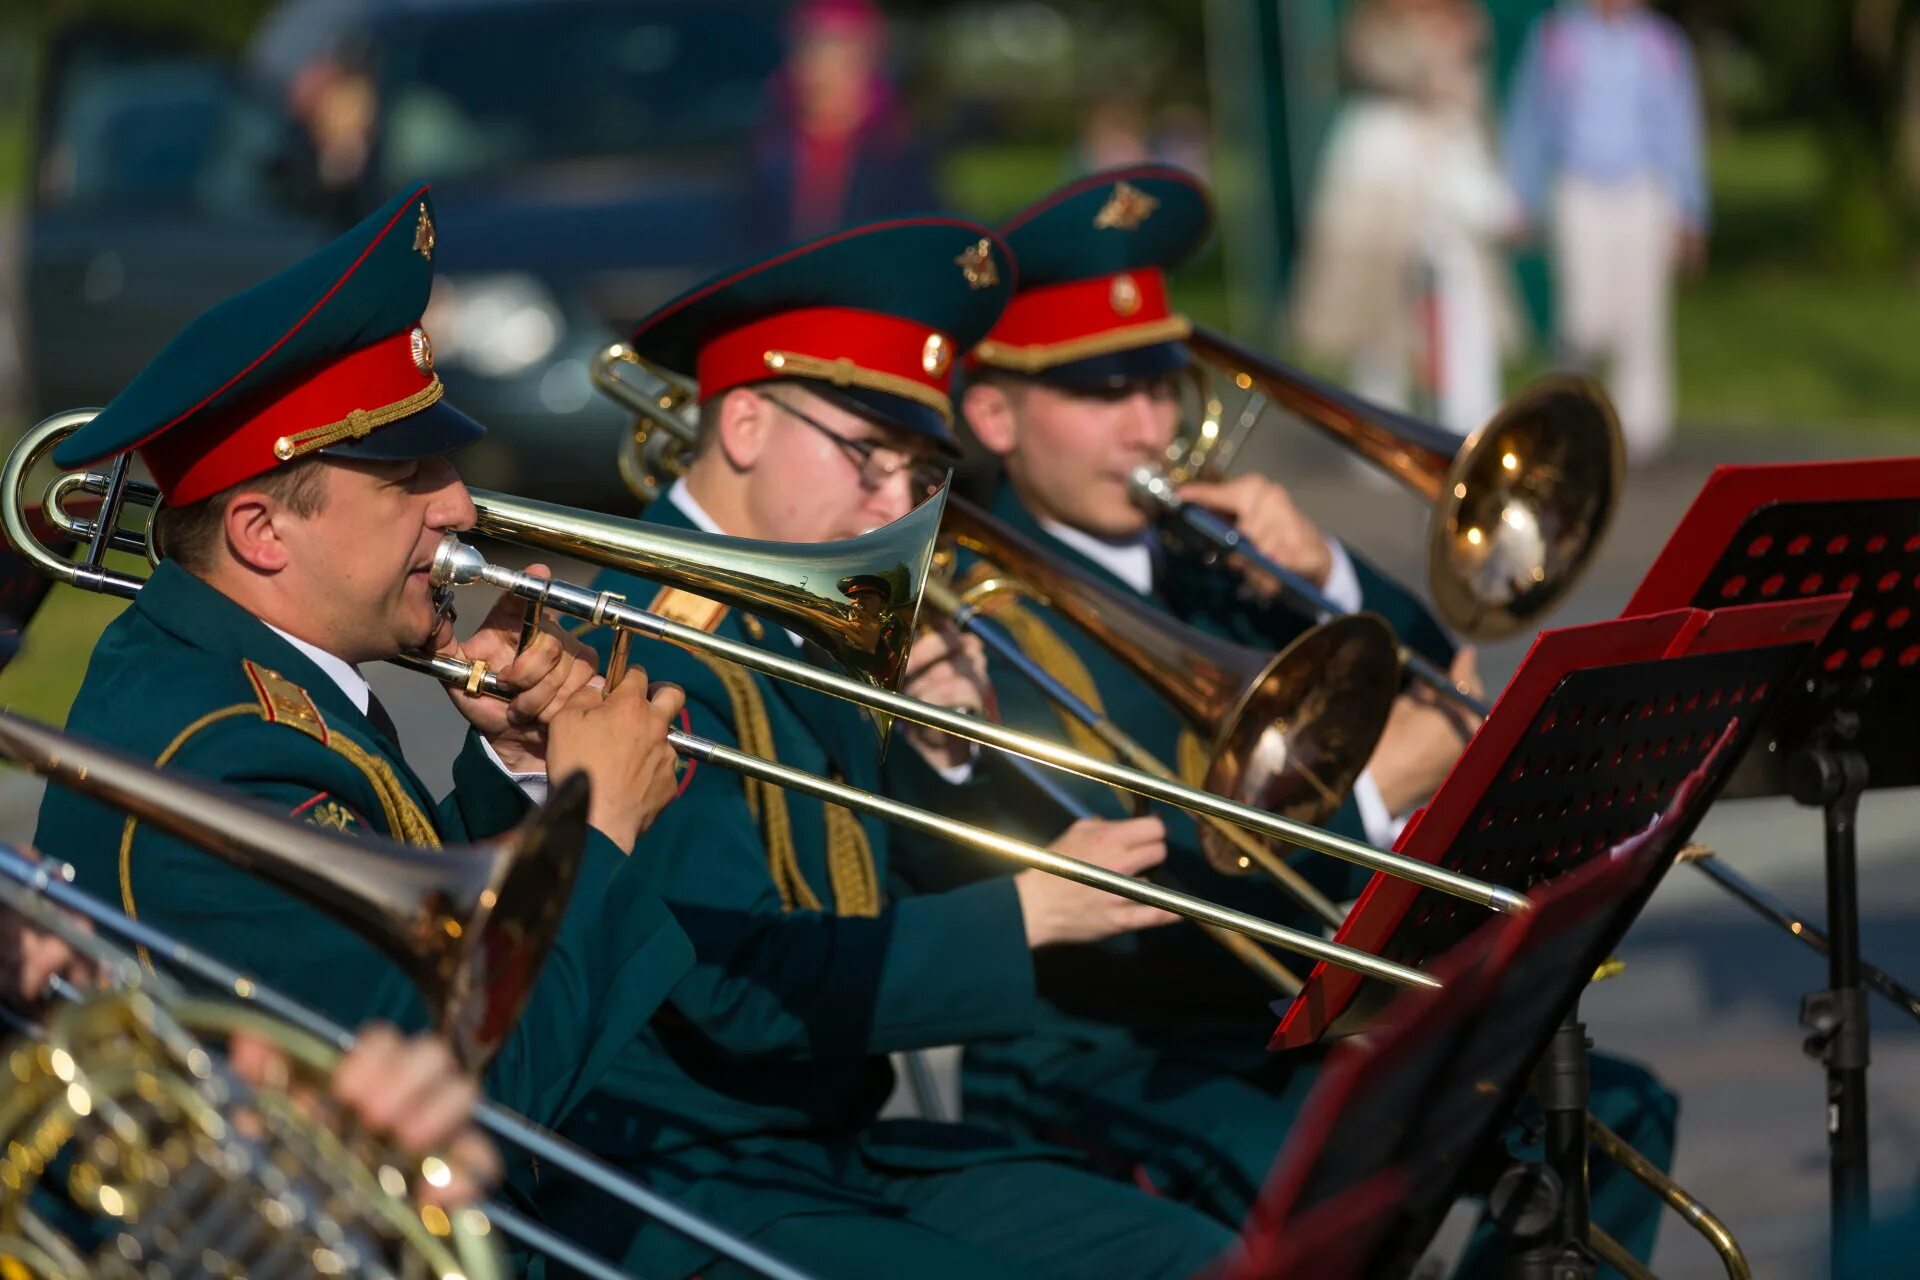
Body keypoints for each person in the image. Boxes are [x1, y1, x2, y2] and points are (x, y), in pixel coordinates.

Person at [936, 164, 1678, 1277]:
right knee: (1345, 1189)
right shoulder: (982, 617)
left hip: (1290, 1017)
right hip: (1109, 1047)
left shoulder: (1215, 554)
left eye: (1161, 379)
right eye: (1102, 391)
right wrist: (1374, 794)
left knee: (1613, 1114)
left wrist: (1324, 564)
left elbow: (1440, 669)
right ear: (994, 411)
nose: (1151, 423)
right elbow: (1129, 887)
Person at [544, 218, 1237, 1280]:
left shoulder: (799, 608)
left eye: (918, 472)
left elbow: (867, 883)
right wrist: (1028, 909)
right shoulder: (637, 638)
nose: (892, 504)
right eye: (866, 454)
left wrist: (940, 755)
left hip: (830, 1141)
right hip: (695, 1171)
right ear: (741, 426)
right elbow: (739, 993)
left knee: (1204, 1256)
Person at [30, 187, 695, 1170]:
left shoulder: (245, 672)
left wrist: (509, 768)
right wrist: (603, 830)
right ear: (261, 533)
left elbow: (428, 941)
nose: (461, 504)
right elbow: (469, 1101)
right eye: (409, 478)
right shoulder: (218, 762)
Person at [1291, 0, 1520, 437]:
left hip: (1447, 169)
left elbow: (1470, 98)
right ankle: (1380, 429)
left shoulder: (1467, 23)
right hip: (1384, 170)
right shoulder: (1374, 28)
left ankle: (1469, 427)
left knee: (1463, 298)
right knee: (1378, 307)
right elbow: (1383, 70)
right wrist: (1435, 64)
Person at [1504, 0, 1709, 465]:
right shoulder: (1559, 37)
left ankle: (1640, 431)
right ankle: (1566, 410)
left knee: (1642, 314)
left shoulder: (1660, 43)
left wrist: (1690, 211)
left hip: (1644, 189)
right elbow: (1530, 118)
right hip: (1579, 186)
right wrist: (1522, 195)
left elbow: (1681, 128)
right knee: (1584, 317)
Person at [746, 0, 939, 250]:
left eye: (839, 60)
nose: (819, 75)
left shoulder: (898, 151)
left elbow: (921, 240)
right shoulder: (768, 148)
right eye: (810, 56)